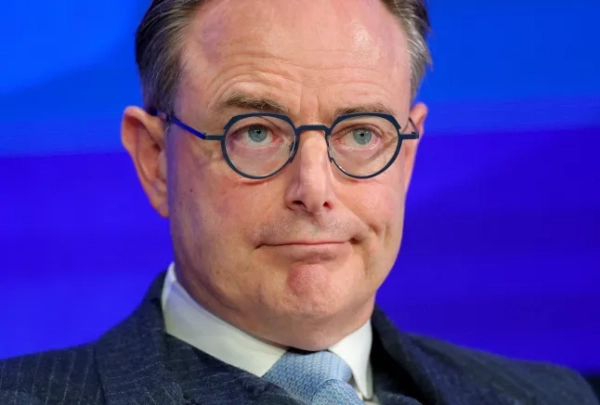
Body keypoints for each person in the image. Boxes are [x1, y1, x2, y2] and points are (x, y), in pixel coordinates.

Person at [1, 0, 598, 404]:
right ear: (155, 158)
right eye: (257, 132)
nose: (314, 190)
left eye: (361, 134)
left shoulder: (555, 397)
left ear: (407, 158)